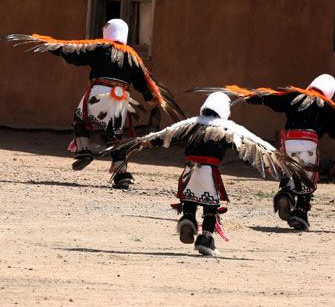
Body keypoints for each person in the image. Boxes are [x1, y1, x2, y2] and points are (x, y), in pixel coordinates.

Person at [104, 91, 310, 256]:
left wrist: (139, 143)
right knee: (211, 209)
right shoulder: (230, 128)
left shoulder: (191, 123)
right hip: (209, 173)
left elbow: (163, 135)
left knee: (190, 202)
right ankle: (205, 239)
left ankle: (187, 219)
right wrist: (279, 163)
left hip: (189, 171)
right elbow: (255, 147)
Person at [190, 76, 335, 231]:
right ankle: (300, 213)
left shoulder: (293, 95)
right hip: (309, 142)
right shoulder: (331, 110)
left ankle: (285, 193)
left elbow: (266, 98)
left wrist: (246, 98)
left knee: (290, 170)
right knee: (308, 176)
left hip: (288, 141)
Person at [4, 19, 183, 189]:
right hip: (120, 99)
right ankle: (122, 175)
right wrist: (148, 96)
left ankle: (83, 150)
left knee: (80, 120)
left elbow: (73, 51)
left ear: (107, 31)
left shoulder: (99, 47)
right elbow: (143, 80)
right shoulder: (133, 56)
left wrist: (50, 45)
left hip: (98, 92)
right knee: (116, 137)